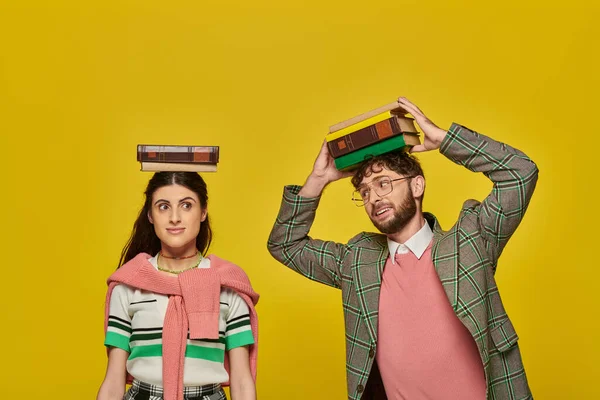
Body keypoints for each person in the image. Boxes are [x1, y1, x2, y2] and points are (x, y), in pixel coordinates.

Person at [267, 97, 537, 399]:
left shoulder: (470, 241)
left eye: (384, 184)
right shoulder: (358, 262)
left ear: (417, 186)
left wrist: (446, 140)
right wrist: (317, 180)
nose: (373, 198)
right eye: (365, 192)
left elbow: (519, 173)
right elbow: (285, 243)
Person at [97, 172, 259, 400]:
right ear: (150, 216)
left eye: (186, 205)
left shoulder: (228, 286)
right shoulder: (128, 286)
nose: (174, 217)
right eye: (163, 207)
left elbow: (242, 381)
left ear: (203, 212)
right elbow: (114, 378)